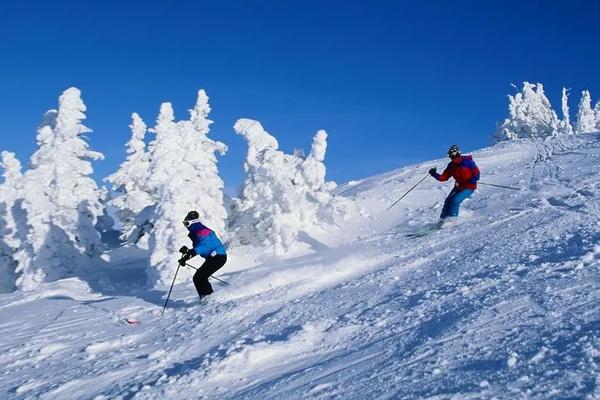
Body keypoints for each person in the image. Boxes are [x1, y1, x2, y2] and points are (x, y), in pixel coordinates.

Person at [178, 210, 227, 298]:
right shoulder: (198, 232)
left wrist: (188, 254)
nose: (185, 226)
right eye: (184, 224)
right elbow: (201, 248)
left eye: (186, 224)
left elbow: (203, 247)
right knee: (199, 277)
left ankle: (208, 298)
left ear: (192, 223)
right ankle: (207, 298)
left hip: (218, 257)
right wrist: (186, 255)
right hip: (214, 258)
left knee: (199, 277)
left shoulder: (203, 231)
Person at [429, 145, 480, 226]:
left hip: (469, 186)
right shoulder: (451, 165)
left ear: (457, 154)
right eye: (450, 156)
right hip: (458, 186)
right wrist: (434, 174)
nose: (452, 158)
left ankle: (452, 220)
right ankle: (442, 220)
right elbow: (444, 177)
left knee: (455, 200)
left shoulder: (467, 162)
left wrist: (473, 180)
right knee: (448, 200)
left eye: (452, 156)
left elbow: (476, 173)